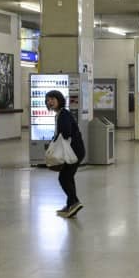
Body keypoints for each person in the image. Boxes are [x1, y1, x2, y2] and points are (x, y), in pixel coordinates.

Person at [46, 89, 85, 218]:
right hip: (75, 151)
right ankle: (70, 206)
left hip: (74, 152)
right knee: (68, 177)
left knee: (63, 178)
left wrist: (55, 139)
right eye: (48, 100)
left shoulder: (64, 115)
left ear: (59, 100)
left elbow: (66, 133)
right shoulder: (60, 114)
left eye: (53, 99)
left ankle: (74, 202)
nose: (50, 102)